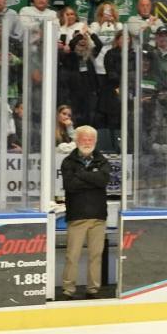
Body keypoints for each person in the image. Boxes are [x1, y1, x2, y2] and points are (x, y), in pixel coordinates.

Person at [60, 126, 110, 299]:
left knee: (95, 256)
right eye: (83, 139)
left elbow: (103, 180)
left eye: (90, 139)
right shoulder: (68, 161)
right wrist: (92, 179)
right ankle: (68, 289)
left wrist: (81, 174)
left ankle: (93, 289)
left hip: (98, 216)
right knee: (72, 255)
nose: (87, 142)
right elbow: (70, 185)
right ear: (77, 140)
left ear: (95, 141)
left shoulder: (102, 161)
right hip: (77, 216)